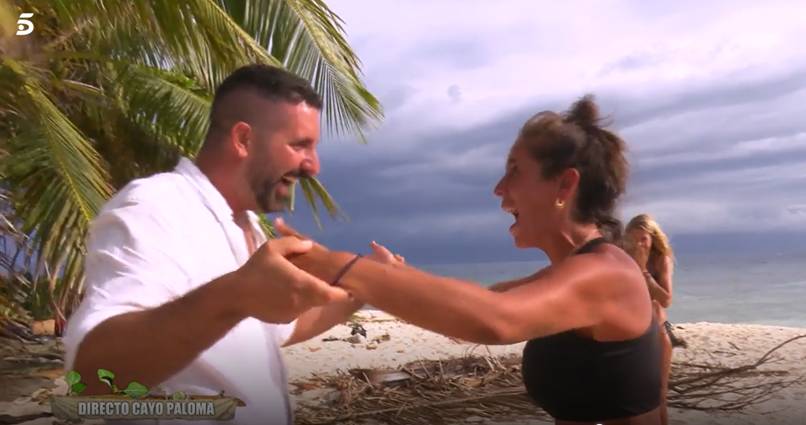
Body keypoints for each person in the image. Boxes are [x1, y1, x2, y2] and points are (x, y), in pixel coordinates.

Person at [281, 95, 663, 425]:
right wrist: (392, 275)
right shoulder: (570, 273)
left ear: (565, 185)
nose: (498, 188)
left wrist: (341, 266)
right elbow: (476, 306)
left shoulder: (607, 273)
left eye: (515, 170)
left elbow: (496, 318)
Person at [63, 64, 366, 425]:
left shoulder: (247, 226)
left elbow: (282, 328)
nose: (313, 166)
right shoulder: (155, 206)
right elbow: (94, 377)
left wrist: (359, 292)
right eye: (299, 145)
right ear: (244, 140)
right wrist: (235, 295)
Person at [624, 214, 682, 425]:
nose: (639, 244)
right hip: (631, 331)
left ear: (652, 238)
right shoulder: (623, 259)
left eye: (643, 239)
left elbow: (666, 299)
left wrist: (644, 272)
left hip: (658, 329)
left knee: (659, 395)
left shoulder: (660, 259)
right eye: (634, 239)